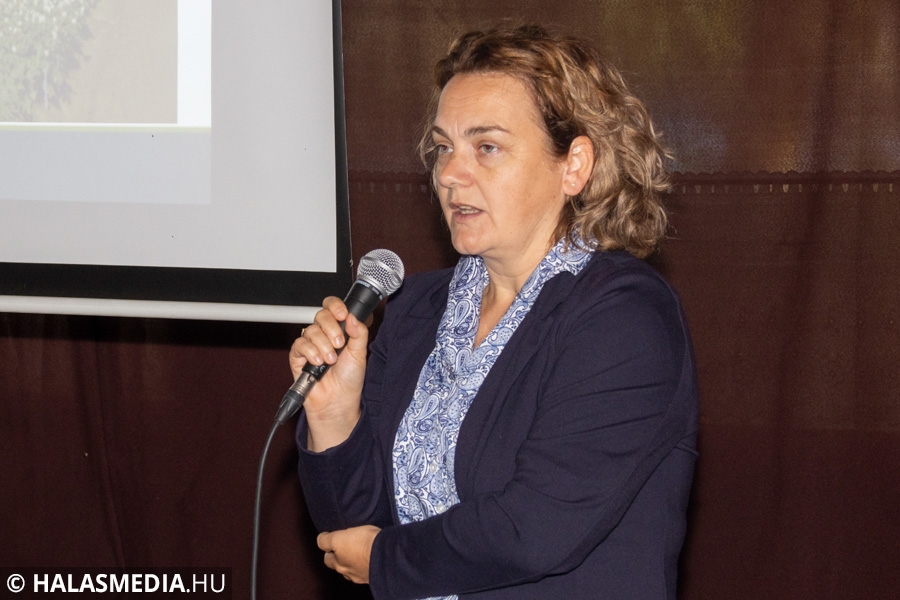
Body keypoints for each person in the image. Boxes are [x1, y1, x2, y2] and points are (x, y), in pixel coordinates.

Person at [289, 23, 698, 600]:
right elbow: (349, 529)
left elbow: (535, 528)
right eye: (443, 148)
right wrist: (335, 417)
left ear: (574, 165)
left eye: (487, 147)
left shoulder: (624, 317)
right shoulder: (414, 309)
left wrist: (386, 559)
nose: (450, 174)